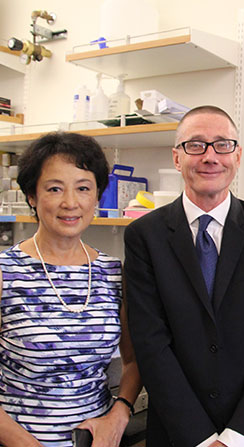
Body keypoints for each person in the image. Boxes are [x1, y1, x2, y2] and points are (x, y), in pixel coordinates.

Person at [124, 105, 244, 447]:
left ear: (238, 155)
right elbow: (151, 343)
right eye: (196, 145)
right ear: (177, 158)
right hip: (177, 433)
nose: (210, 156)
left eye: (222, 145)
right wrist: (200, 438)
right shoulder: (145, 236)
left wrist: (237, 436)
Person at [0, 132, 142, 447]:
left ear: (96, 197)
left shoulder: (113, 273)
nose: (70, 203)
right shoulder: (6, 272)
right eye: (54, 189)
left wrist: (119, 415)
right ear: (32, 196)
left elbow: (133, 361)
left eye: (83, 188)